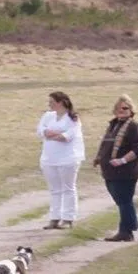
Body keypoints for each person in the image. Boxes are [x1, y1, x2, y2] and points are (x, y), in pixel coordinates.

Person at [95, 93, 138, 242]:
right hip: (110, 171)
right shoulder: (113, 125)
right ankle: (127, 230)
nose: (121, 110)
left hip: (126, 172)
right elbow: (106, 144)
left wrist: (123, 160)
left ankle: (126, 231)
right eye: (118, 108)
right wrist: (99, 157)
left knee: (124, 200)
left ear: (131, 110)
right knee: (121, 200)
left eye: (125, 107)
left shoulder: (134, 127)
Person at [36, 91, 83, 230]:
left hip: (68, 158)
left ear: (61, 102)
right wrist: (47, 133)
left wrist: (52, 135)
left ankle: (68, 218)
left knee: (68, 188)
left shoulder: (72, 118)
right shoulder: (48, 116)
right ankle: (54, 218)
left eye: (52, 102)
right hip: (49, 158)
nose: (49, 104)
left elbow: (68, 136)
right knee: (54, 189)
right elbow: (40, 130)